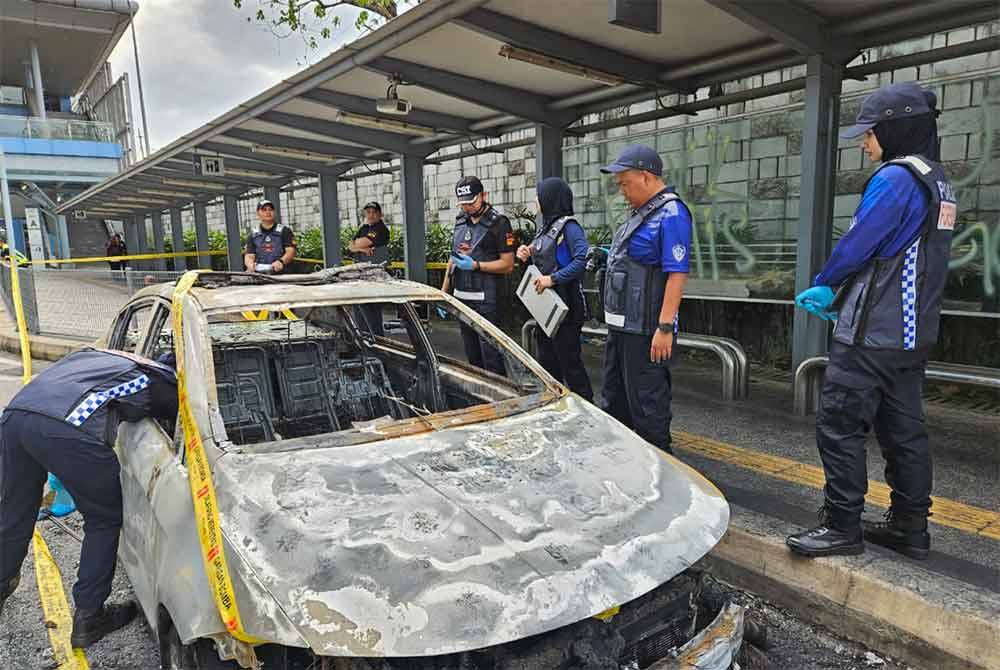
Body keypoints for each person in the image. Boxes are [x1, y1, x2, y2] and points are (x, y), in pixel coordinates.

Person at [786, 82, 954, 560]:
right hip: (911, 334)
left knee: (839, 423)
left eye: (870, 133)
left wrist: (827, 280)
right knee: (904, 431)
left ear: (896, 128)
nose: (864, 143)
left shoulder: (896, 178)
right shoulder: (936, 179)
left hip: (872, 332)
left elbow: (861, 241)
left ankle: (842, 526)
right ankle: (909, 527)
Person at [0, 349, 178, 647]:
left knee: (14, 511)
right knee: (103, 518)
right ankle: (89, 617)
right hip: (68, 426)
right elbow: (173, 417)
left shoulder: (104, 356)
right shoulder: (158, 380)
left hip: (15, 417)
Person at [599, 145, 693, 454]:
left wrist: (665, 327)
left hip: (647, 331)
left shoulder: (672, 213)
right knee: (616, 400)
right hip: (622, 327)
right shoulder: (639, 214)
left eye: (625, 182)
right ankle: (627, 466)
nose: (622, 190)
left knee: (648, 408)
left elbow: (676, 273)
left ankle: (662, 472)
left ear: (647, 176)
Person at [517, 177, 593, 401]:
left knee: (570, 363)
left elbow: (582, 259)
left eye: (539, 195)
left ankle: (587, 407)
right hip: (545, 309)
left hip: (566, 307)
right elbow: (542, 254)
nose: (535, 199)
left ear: (550, 198)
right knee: (548, 363)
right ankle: (555, 404)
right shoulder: (546, 227)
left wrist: (554, 278)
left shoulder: (569, 227)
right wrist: (527, 253)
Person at [441, 176, 515, 376]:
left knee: (491, 356)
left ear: (484, 195)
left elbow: (508, 265)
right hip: (462, 298)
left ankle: (499, 399)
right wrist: (444, 293)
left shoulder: (499, 223)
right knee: (473, 356)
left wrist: (477, 265)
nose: (468, 207)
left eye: (471, 202)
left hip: (488, 301)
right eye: (463, 203)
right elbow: (453, 258)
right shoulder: (460, 222)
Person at [349, 201, 391, 336]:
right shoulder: (364, 228)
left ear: (380, 214)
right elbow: (350, 245)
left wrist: (358, 245)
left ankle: (376, 338)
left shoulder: (380, 229)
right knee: (360, 306)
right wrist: (360, 248)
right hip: (361, 273)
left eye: (374, 212)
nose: (371, 215)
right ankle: (364, 336)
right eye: (368, 212)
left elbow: (360, 242)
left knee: (372, 307)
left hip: (374, 274)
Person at [244, 199, 295, 274]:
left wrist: (281, 262)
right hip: (260, 276)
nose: (268, 212)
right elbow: (249, 255)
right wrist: (250, 265)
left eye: (270, 209)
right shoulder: (253, 234)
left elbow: (290, 251)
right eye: (264, 210)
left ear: (274, 212)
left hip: (282, 274)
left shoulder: (284, 231)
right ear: (258, 213)